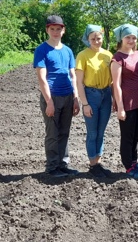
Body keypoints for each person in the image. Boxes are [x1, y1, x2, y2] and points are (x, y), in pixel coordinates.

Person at [33, 15, 80, 178]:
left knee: (64, 132)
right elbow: (42, 78)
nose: (55, 32)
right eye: (52, 29)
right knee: (52, 133)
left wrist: (75, 98)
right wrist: (49, 102)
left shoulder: (68, 51)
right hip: (52, 96)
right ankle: (52, 167)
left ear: (63, 30)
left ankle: (63, 164)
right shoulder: (42, 50)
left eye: (58, 29)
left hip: (68, 96)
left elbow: (73, 76)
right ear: (47, 30)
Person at [111, 23, 138, 179]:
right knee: (127, 136)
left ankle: (135, 163)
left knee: (135, 135)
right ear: (121, 38)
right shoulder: (117, 59)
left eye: (134, 38)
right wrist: (120, 107)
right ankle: (128, 167)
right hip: (127, 103)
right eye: (128, 37)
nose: (131, 40)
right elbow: (117, 84)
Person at [75, 24, 113, 178]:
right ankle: (92, 165)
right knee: (93, 132)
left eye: (98, 38)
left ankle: (98, 163)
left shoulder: (108, 55)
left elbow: (112, 80)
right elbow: (79, 82)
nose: (96, 41)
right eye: (93, 39)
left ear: (102, 38)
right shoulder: (83, 55)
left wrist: (115, 99)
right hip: (91, 95)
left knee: (101, 132)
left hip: (106, 95)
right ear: (88, 39)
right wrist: (85, 104)